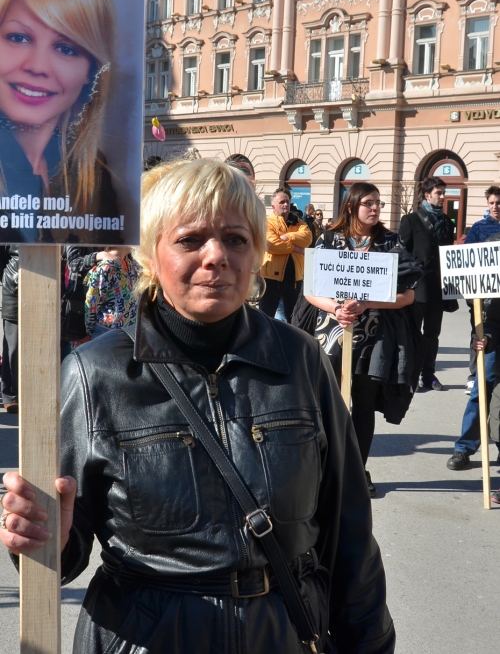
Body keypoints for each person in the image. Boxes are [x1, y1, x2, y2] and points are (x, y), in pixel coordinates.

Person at [0, 159, 395, 654]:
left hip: (283, 633)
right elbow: (61, 550)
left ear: (256, 252)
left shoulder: (299, 358)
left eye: (235, 239)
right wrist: (40, 536)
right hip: (146, 636)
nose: (217, 257)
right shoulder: (94, 372)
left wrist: (370, 644)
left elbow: (349, 527)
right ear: (150, 254)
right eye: (190, 240)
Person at [306, 183, 422, 496]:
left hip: (375, 339)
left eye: (378, 203)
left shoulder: (390, 242)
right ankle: (325, 470)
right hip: (332, 335)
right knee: (328, 405)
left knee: (363, 405)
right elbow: (310, 290)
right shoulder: (329, 240)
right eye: (368, 203)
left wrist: (369, 303)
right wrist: (336, 309)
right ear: (351, 205)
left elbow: (408, 296)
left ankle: (357, 471)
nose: (375, 208)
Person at [0, 0, 120, 242]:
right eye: (18, 37)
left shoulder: (93, 173)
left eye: (66, 49)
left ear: (90, 71)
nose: (38, 67)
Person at [446, 231, 500, 472]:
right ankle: (465, 447)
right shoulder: (492, 251)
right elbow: (491, 318)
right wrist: (486, 337)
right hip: (494, 344)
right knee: (481, 391)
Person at [399, 176, 455, 392]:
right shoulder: (411, 220)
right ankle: (411, 376)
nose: (442, 196)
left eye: (443, 193)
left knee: (433, 335)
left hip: (438, 290)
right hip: (416, 289)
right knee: (414, 334)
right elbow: (402, 253)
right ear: (427, 195)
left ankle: (429, 374)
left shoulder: (447, 223)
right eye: (438, 193)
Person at [462, 186, 500, 394]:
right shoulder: (478, 228)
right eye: (492, 203)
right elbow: (466, 258)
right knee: (477, 333)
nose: (495, 207)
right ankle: (474, 373)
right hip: (482, 294)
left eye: (498, 203)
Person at [259, 187, 312, 322]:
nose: (286, 204)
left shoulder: (298, 222)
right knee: (266, 317)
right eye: (282, 202)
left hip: (294, 278)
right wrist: (296, 248)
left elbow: (307, 238)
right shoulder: (267, 222)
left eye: (287, 201)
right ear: (273, 206)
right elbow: (272, 245)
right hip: (271, 278)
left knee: (294, 318)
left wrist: (288, 236)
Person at [84, 246, 138, 339]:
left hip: (128, 330)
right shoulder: (105, 268)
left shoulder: (129, 263)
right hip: (106, 332)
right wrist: (89, 332)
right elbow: (92, 303)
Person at [0, 245, 18, 413]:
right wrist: (9, 279)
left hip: (47, 292)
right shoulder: (12, 231)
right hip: (14, 292)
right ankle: (10, 396)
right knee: (13, 347)